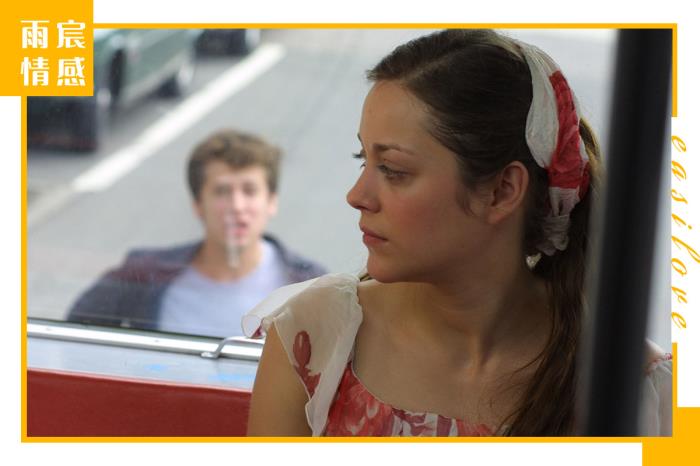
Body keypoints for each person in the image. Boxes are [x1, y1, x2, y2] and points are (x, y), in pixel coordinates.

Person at [244, 30, 672, 436]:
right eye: (364, 160)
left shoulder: (641, 390)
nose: (357, 196)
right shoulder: (315, 339)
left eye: (393, 169)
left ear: (503, 191)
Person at [67, 129, 327, 337]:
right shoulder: (144, 274)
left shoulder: (310, 285)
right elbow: (73, 335)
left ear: (271, 202)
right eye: (222, 192)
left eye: (249, 191)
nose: (237, 206)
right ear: (198, 205)